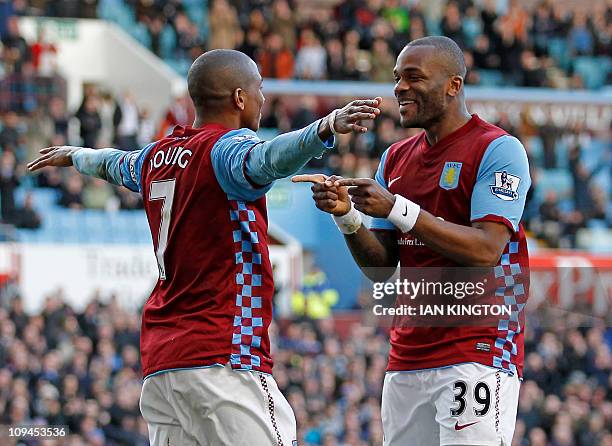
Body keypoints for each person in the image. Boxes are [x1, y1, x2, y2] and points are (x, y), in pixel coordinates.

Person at [27, 49, 382, 446]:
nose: (264, 99)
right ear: (238, 98)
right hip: (223, 357)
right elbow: (268, 159)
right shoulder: (225, 150)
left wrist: (76, 156)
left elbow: (113, 162)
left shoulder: (155, 158)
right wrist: (326, 126)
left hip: (164, 367)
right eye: (259, 89)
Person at [294, 36, 531, 446]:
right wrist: (347, 216)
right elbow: (382, 267)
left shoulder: (498, 149)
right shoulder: (396, 158)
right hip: (408, 356)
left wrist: (396, 208)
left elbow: (485, 250)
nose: (399, 88)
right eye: (396, 78)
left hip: (477, 348)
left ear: (453, 86)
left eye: (413, 77)